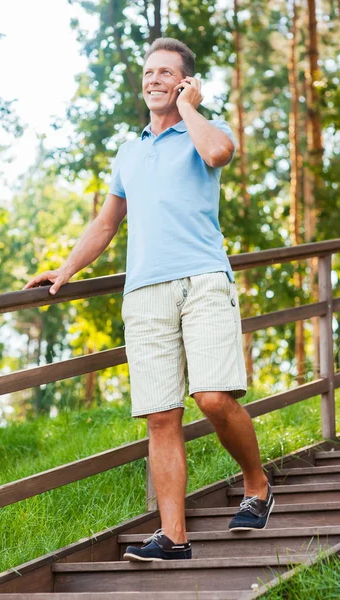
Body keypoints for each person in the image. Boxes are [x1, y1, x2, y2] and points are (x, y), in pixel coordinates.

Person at [24, 37, 274, 562]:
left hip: (203, 281)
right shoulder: (130, 150)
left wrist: (189, 109)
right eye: (149, 72)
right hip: (144, 292)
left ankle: (257, 486)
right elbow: (107, 221)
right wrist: (65, 271)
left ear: (185, 82)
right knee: (161, 417)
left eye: (167, 73)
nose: (154, 80)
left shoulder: (206, 131)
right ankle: (173, 537)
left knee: (212, 397)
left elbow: (219, 154)